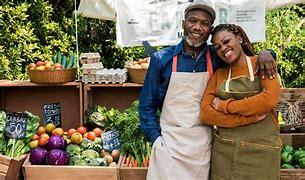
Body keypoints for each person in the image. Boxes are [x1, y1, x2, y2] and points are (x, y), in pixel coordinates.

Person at [139, 2, 277, 180]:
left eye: (204, 23)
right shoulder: (162, 59)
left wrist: (268, 53)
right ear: (183, 24)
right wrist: (156, 140)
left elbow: (243, 56)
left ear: (209, 29)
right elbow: (146, 106)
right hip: (170, 145)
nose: (197, 27)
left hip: (202, 147)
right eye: (192, 21)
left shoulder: (216, 55)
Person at [200, 24, 281, 180]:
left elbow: (268, 100)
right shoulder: (219, 74)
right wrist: (246, 119)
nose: (223, 48)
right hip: (224, 154)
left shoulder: (263, 64)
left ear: (239, 38)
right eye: (217, 47)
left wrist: (225, 106)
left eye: (226, 41)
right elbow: (206, 114)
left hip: (262, 154)